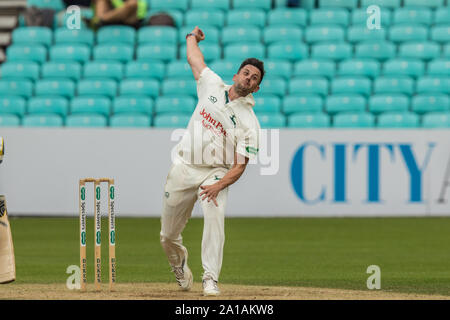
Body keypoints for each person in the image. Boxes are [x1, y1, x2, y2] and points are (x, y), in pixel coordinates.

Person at [159, 26, 265, 296]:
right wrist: (191, 37)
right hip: (185, 165)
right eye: (246, 73)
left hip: (216, 172)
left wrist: (219, 185)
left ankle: (210, 279)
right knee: (167, 236)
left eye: (254, 78)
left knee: (215, 215)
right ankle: (180, 265)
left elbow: (240, 165)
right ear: (236, 75)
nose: (249, 79)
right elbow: (195, 60)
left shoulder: (250, 123)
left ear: (257, 87)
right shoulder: (212, 85)